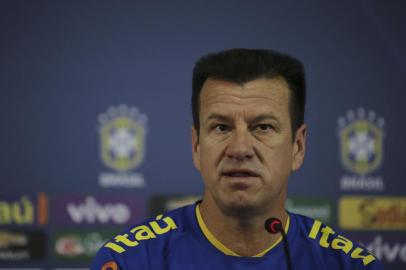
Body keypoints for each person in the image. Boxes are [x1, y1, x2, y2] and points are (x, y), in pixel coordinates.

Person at [91, 48, 384, 269]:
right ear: (196, 146)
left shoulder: (348, 264)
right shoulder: (130, 261)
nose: (240, 148)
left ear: (297, 146)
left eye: (263, 127)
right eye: (221, 127)